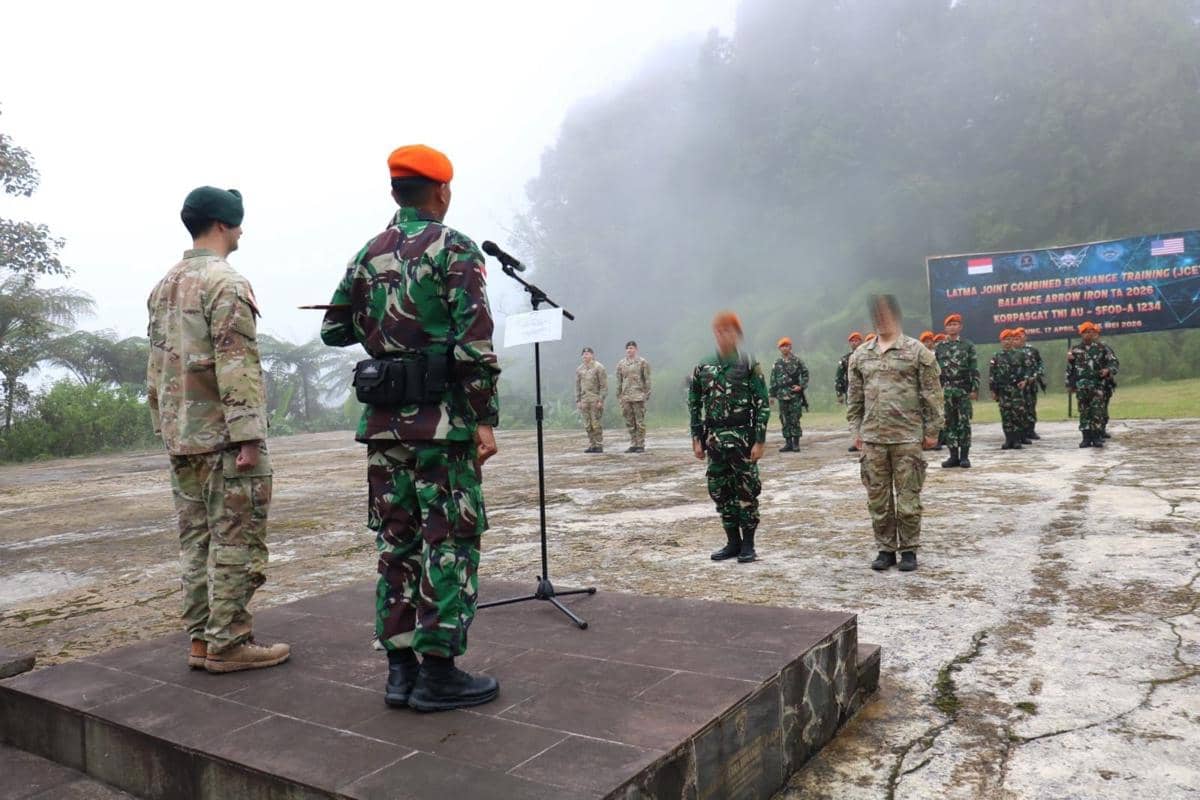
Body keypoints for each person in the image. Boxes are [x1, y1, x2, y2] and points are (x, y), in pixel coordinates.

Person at [321, 144, 501, 712]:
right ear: (442, 191)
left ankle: (400, 671)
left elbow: (333, 329)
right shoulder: (456, 250)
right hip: (441, 426)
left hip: (382, 428)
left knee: (396, 541)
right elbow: (475, 348)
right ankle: (439, 673)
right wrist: (482, 420)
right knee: (447, 541)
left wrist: (381, 323)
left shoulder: (367, 254)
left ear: (395, 192)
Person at [146, 186, 289, 673]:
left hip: (182, 436)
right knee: (236, 540)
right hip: (224, 439)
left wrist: (167, 430)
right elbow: (237, 363)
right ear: (225, 225)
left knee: (197, 542)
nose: (243, 229)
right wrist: (248, 435)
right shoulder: (224, 282)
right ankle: (230, 644)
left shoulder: (164, 284)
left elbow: (156, 370)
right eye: (239, 222)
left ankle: (202, 641)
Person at [847, 295, 943, 572]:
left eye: (886, 313)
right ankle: (885, 549)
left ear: (897, 316)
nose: (881, 319)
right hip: (873, 440)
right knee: (878, 499)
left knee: (908, 499)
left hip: (907, 438)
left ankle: (909, 549)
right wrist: (856, 430)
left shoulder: (917, 351)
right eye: (876, 314)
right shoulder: (860, 355)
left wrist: (933, 430)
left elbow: (933, 395)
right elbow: (855, 398)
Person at [689, 312, 769, 563]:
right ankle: (732, 542)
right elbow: (694, 402)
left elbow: (762, 403)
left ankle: (748, 545)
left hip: (743, 439)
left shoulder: (748, 364)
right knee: (720, 490)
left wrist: (760, 439)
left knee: (746, 490)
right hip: (714, 440)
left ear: (737, 335)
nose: (723, 335)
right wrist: (697, 437)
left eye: (728, 330)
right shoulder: (704, 366)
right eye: (719, 330)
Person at [934, 313, 979, 468]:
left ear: (960, 327)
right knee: (949, 423)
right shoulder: (939, 347)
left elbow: (974, 368)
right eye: (949, 325)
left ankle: (965, 457)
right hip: (946, 390)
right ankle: (953, 456)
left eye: (955, 324)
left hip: (962, 389)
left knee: (964, 422)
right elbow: (934, 370)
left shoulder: (968, 345)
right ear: (945, 328)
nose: (952, 327)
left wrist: (974, 388)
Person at [1066, 322, 1118, 448]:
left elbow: (1114, 362)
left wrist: (1108, 370)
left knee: (1097, 411)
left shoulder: (1102, 348)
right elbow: (1069, 369)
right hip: (1082, 386)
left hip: (1098, 385)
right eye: (1086, 332)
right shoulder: (1075, 350)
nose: (1088, 334)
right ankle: (1086, 438)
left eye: (1091, 331)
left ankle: (1097, 437)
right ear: (1081, 334)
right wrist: (1069, 384)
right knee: (1084, 412)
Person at [989, 330, 1029, 450]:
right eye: (1005, 339)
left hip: (1016, 389)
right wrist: (993, 391)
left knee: (1017, 414)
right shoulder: (996, 356)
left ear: (1013, 340)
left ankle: (1017, 440)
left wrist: (1025, 380)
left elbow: (1027, 370)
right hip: (1002, 390)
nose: (1007, 341)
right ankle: (1008, 440)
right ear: (1001, 341)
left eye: (1010, 339)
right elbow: (992, 374)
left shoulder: (1020, 355)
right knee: (1005, 415)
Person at [769, 337, 809, 452]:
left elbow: (805, 373)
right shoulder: (777, 363)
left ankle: (796, 443)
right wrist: (771, 395)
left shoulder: (797, 361)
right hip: (781, 395)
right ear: (779, 348)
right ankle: (788, 443)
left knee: (795, 418)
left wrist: (801, 386)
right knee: (784, 419)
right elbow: (773, 379)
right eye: (782, 346)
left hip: (794, 394)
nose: (785, 348)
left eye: (787, 346)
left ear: (790, 347)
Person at [616, 341, 652, 452]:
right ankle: (633, 443)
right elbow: (619, 380)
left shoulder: (642, 362)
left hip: (638, 396)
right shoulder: (621, 364)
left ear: (636, 349)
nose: (629, 350)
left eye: (631, 348)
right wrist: (619, 395)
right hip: (626, 396)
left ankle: (640, 444)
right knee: (629, 421)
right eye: (627, 348)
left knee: (639, 421)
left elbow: (647, 379)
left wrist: (646, 393)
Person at [1013, 328, 1045, 442]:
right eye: (1017, 336)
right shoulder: (1011, 351)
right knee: (1019, 408)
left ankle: (1031, 430)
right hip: (1016, 385)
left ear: (1025, 337)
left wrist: (1035, 376)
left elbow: (1040, 365)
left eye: (1022, 335)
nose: (1020, 338)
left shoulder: (1032, 350)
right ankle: (1020, 432)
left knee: (1031, 407)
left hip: (1031, 385)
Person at [575, 347, 608, 453]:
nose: (585, 356)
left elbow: (604, 386)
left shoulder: (599, 367)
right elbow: (577, 386)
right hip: (584, 400)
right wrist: (578, 400)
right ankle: (592, 445)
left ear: (592, 355)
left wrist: (601, 400)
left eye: (588, 354)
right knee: (587, 424)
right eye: (584, 354)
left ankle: (599, 445)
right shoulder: (580, 369)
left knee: (596, 424)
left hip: (595, 399)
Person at [836, 332, 864, 452]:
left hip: (867, 391)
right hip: (852, 392)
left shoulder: (867, 356)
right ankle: (856, 441)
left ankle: (867, 441)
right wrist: (839, 393)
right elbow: (839, 377)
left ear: (861, 342)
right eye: (852, 341)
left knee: (867, 416)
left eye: (857, 340)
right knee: (854, 417)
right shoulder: (845, 359)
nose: (855, 343)